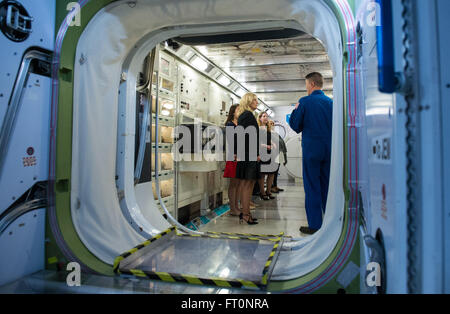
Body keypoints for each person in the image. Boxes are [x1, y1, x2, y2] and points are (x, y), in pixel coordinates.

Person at [288, 72, 332, 235]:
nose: (306, 88)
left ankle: (315, 224)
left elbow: (296, 125)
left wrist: (294, 112)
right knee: (327, 185)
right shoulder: (331, 103)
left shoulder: (305, 101)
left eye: (306, 84)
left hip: (312, 150)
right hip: (329, 150)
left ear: (312, 84)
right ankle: (329, 221)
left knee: (312, 185)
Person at [235, 93, 260, 225]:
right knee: (247, 184)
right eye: (255, 100)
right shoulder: (248, 115)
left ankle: (246, 213)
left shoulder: (245, 115)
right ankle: (245, 214)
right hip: (247, 154)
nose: (257, 102)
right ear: (249, 101)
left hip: (247, 153)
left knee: (248, 184)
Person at [223, 104, 241, 216]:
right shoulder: (230, 124)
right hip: (233, 155)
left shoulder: (241, 125)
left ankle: (237, 206)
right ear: (233, 112)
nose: (240, 111)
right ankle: (232, 208)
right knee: (233, 183)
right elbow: (230, 141)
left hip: (240, 155)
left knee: (239, 183)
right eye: (238, 109)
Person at [257, 112, 276, 201]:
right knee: (262, 174)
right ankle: (262, 192)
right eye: (264, 116)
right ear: (260, 118)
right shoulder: (258, 129)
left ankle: (268, 191)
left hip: (269, 152)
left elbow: (269, 139)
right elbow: (257, 142)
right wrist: (266, 146)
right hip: (262, 152)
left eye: (266, 116)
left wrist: (272, 143)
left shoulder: (267, 128)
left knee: (271, 173)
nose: (265, 118)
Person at [268, 120, 286, 194]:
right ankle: (272, 187)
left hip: (278, 153)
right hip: (273, 154)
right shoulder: (268, 133)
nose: (272, 125)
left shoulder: (275, 133)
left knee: (276, 172)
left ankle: (275, 185)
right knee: (273, 172)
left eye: (273, 124)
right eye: (271, 123)